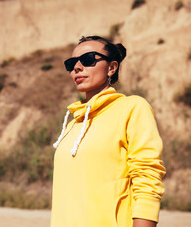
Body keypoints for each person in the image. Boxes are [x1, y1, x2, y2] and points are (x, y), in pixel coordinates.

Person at [50, 36, 166, 227]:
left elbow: (147, 177)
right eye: (71, 64)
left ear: (112, 67)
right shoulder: (73, 125)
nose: (77, 67)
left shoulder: (131, 108)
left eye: (88, 59)